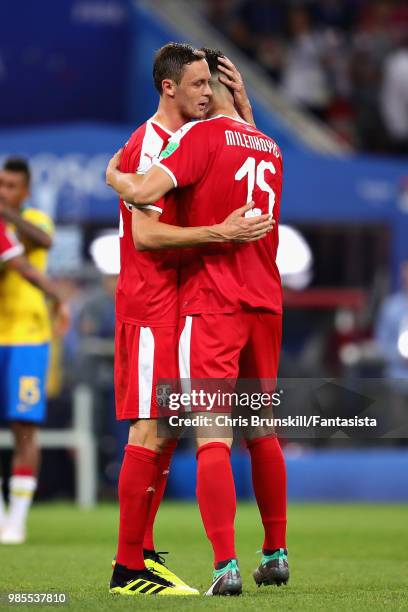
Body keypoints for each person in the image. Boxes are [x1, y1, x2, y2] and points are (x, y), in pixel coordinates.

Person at [107, 48, 288, 596]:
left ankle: (147, 557)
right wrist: (218, 233)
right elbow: (144, 236)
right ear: (168, 87)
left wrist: (110, 174)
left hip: (198, 299)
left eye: (212, 84)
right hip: (155, 301)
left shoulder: (198, 138)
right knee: (153, 429)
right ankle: (129, 566)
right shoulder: (158, 143)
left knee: (173, 433)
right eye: (198, 83)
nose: (206, 93)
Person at [0, 214, 68, 544]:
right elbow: (22, 267)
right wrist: (59, 295)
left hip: (26, 338)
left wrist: (56, 297)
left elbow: (32, 254)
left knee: (24, 426)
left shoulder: (31, 220)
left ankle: (15, 521)